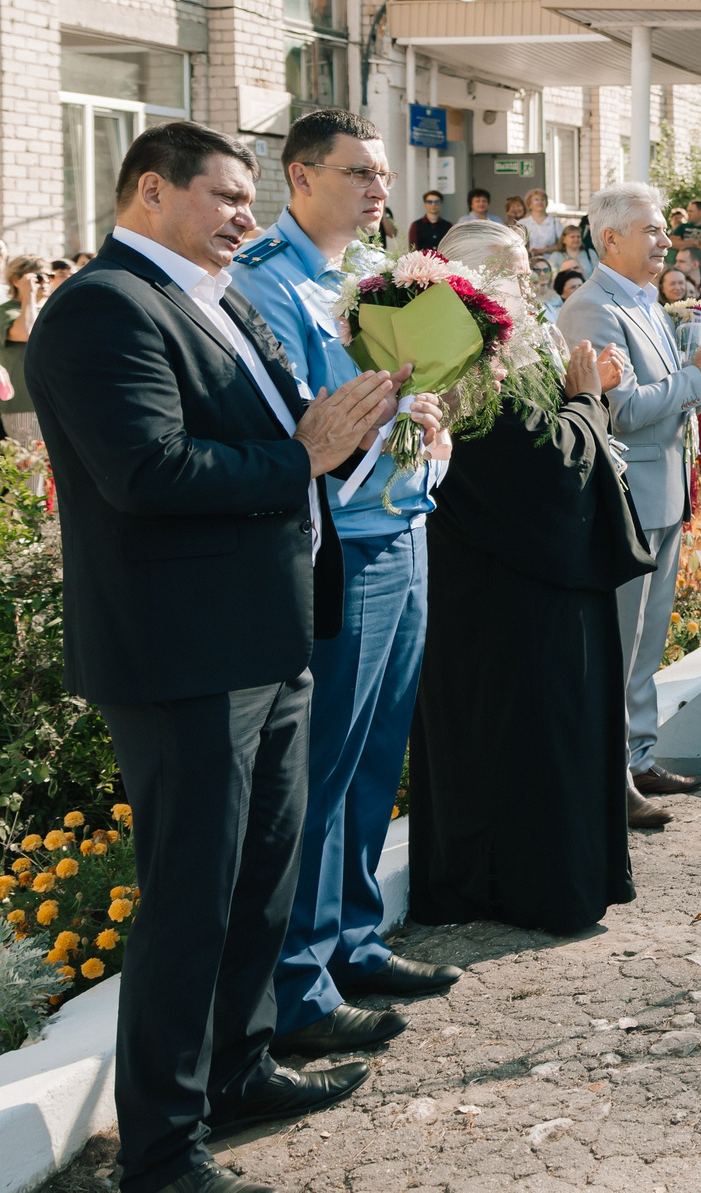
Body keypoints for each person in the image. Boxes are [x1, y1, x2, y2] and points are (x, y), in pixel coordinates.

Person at [30, 120, 403, 1193]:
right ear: (150, 191)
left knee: (259, 882)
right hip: (180, 653)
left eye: (250, 199)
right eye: (228, 197)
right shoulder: (100, 309)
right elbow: (147, 471)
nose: (248, 217)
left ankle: (240, 1068)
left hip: (270, 636)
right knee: (190, 901)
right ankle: (162, 1148)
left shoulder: (221, 295)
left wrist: (366, 421)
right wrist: (301, 453)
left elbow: (295, 436)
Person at [232, 109, 462, 1062]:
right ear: (298, 178)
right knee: (321, 771)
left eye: (381, 174)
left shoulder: (366, 281)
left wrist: (434, 414)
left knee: (376, 758)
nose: (378, 189)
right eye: (358, 172)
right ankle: (300, 979)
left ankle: (357, 938)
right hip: (342, 544)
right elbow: (299, 420)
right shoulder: (267, 284)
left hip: (405, 525)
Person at [408, 221, 652, 930]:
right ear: (468, 282)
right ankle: (527, 890)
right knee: (519, 738)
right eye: (514, 271)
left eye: (531, 268)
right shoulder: (461, 361)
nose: (531, 285)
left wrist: (581, 395)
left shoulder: (504, 350)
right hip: (505, 591)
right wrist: (586, 398)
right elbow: (545, 472)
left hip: (522, 580)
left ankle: (514, 884)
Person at [555, 183, 701, 829]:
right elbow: (623, 410)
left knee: (649, 642)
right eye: (650, 230)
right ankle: (612, 776)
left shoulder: (645, 300)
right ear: (609, 238)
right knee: (622, 642)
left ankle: (641, 756)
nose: (665, 241)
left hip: (666, 489)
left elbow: (672, 396)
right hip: (628, 496)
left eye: (664, 230)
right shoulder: (593, 309)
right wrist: (699, 372)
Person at [0, 252, 49, 444]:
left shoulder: (47, 311)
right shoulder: (6, 311)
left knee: (51, 473)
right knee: (30, 472)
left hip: (52, 404)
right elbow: (27, 332)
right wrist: (28, 294)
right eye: (37, 277)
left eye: (49, 276)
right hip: (24, 406)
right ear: (16, 280)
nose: (44, 281)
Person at [517, 187, 563, 258]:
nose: (540, 202)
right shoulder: (522, 223)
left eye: (542, 200)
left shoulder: (555, 222)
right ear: (529, 204)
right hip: (528, 260)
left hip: (551, 260)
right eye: (536, 200)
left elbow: (562, 244)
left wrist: (544, 250)